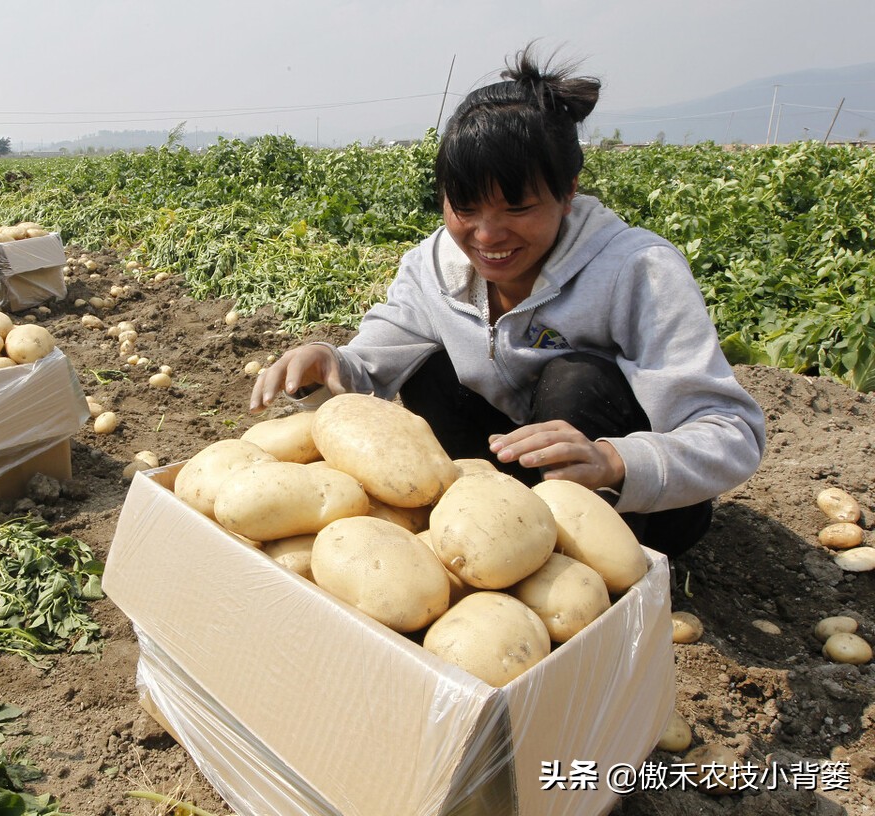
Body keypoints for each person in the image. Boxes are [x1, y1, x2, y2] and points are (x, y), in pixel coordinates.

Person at [249, 44, 765, 557]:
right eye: (465, 207)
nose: (487, 235)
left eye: (517, 207)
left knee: (576, 381)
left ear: (568, 193)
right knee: (428, 366)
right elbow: (370, 369)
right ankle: (485, 543)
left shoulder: (638, 271)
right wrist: (326, 363)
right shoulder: (433, 267)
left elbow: (730, 431)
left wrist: (615, 460)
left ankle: (592, 570)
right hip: (503, 486)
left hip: (639, 506)